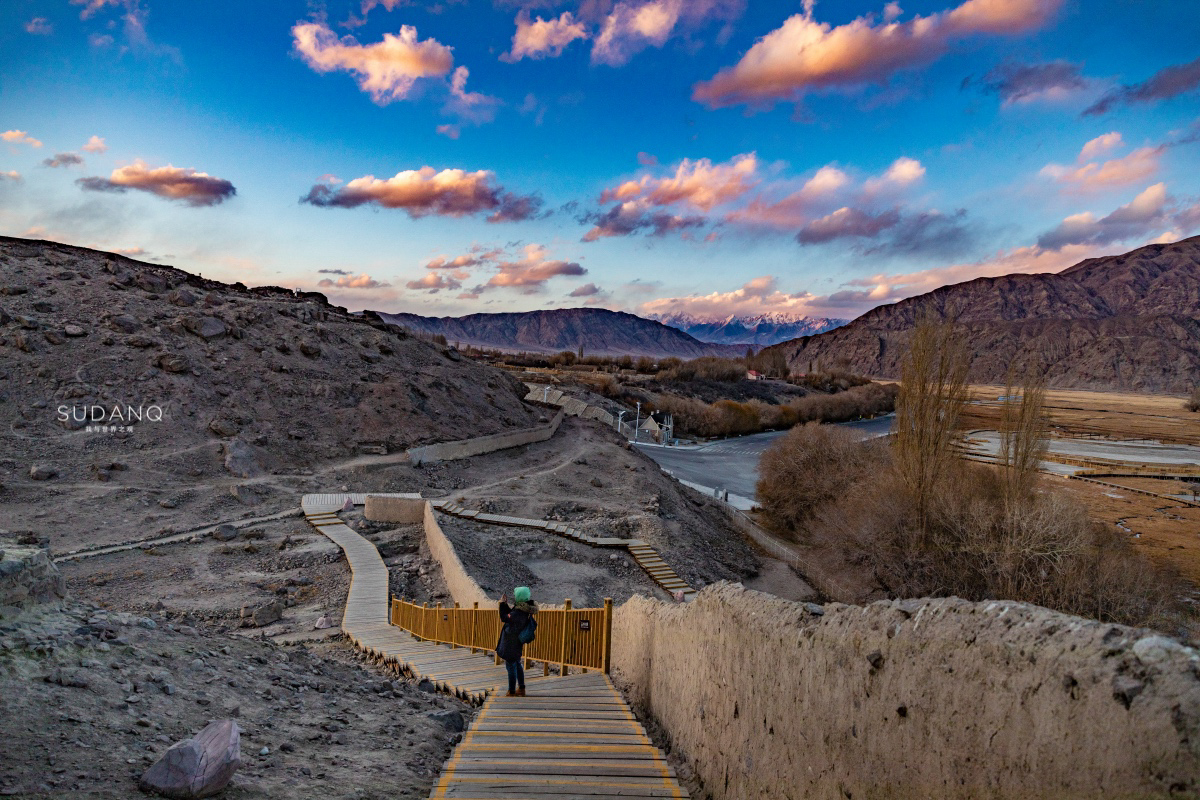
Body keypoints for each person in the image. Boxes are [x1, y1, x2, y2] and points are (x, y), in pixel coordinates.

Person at [497, 586, 537, 697]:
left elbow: (505, 617)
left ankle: (512, 691)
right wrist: (505, 604)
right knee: (517, 663)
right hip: (516, 642)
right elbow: (510, 615)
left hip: (511, 642)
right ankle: (521, 688)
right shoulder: (523, 609)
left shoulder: (519, 612)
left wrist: (501, 605)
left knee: (511, 665)